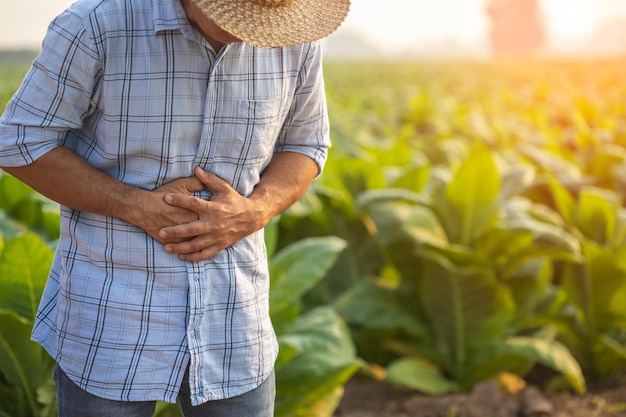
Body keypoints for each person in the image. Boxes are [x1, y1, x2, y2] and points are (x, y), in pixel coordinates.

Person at [0, 0, 350, 415]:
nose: (247, 32)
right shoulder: (95, 25)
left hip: (235, 321)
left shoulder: (294, 39)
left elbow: (306, 144)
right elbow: (20, 143)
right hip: (112, 317)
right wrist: (136, 206)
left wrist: (256, 210)